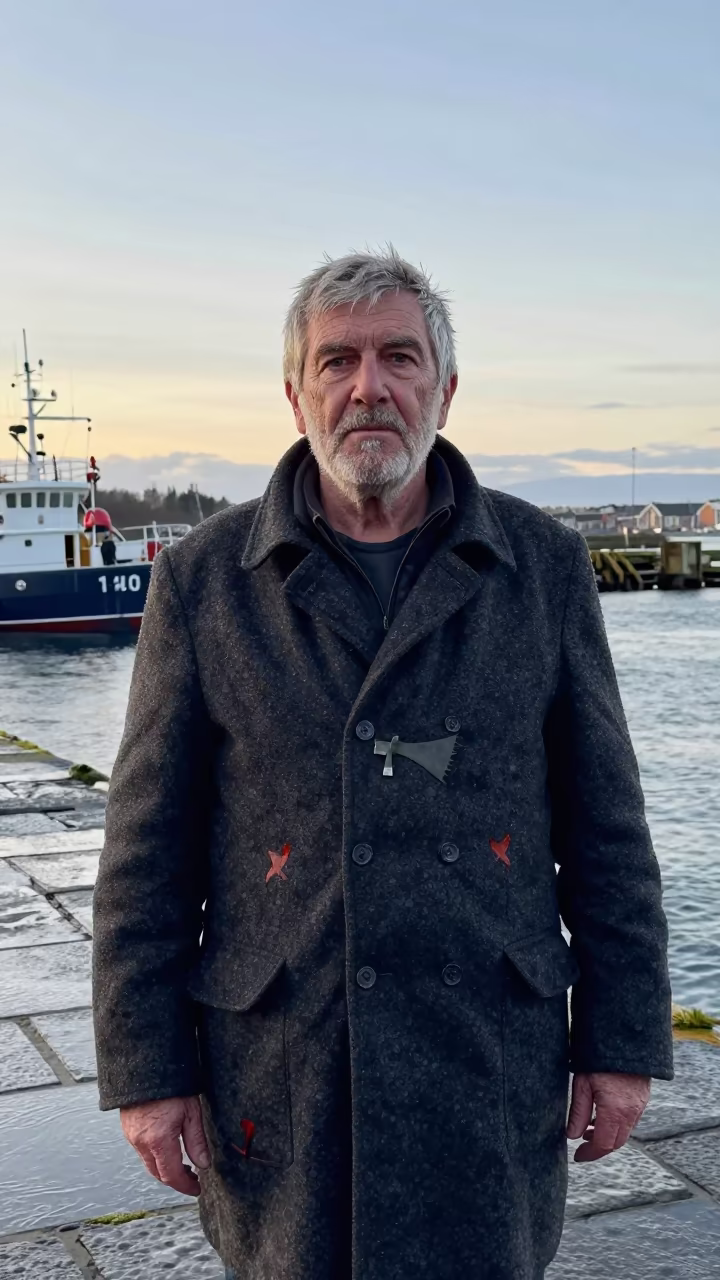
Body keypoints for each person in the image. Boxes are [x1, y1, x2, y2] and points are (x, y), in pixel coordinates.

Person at [92, 248, 673, 1280]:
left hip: (484, 1051)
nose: (370, 386)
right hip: (282, 1062)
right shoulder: (204, 582)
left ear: (444, 388)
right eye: (338, 360)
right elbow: (147, 848)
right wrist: (146, 1068)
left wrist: (622, 1039)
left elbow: (607, 826)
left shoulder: (541, 565)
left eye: (400, 357)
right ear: (294, 389)